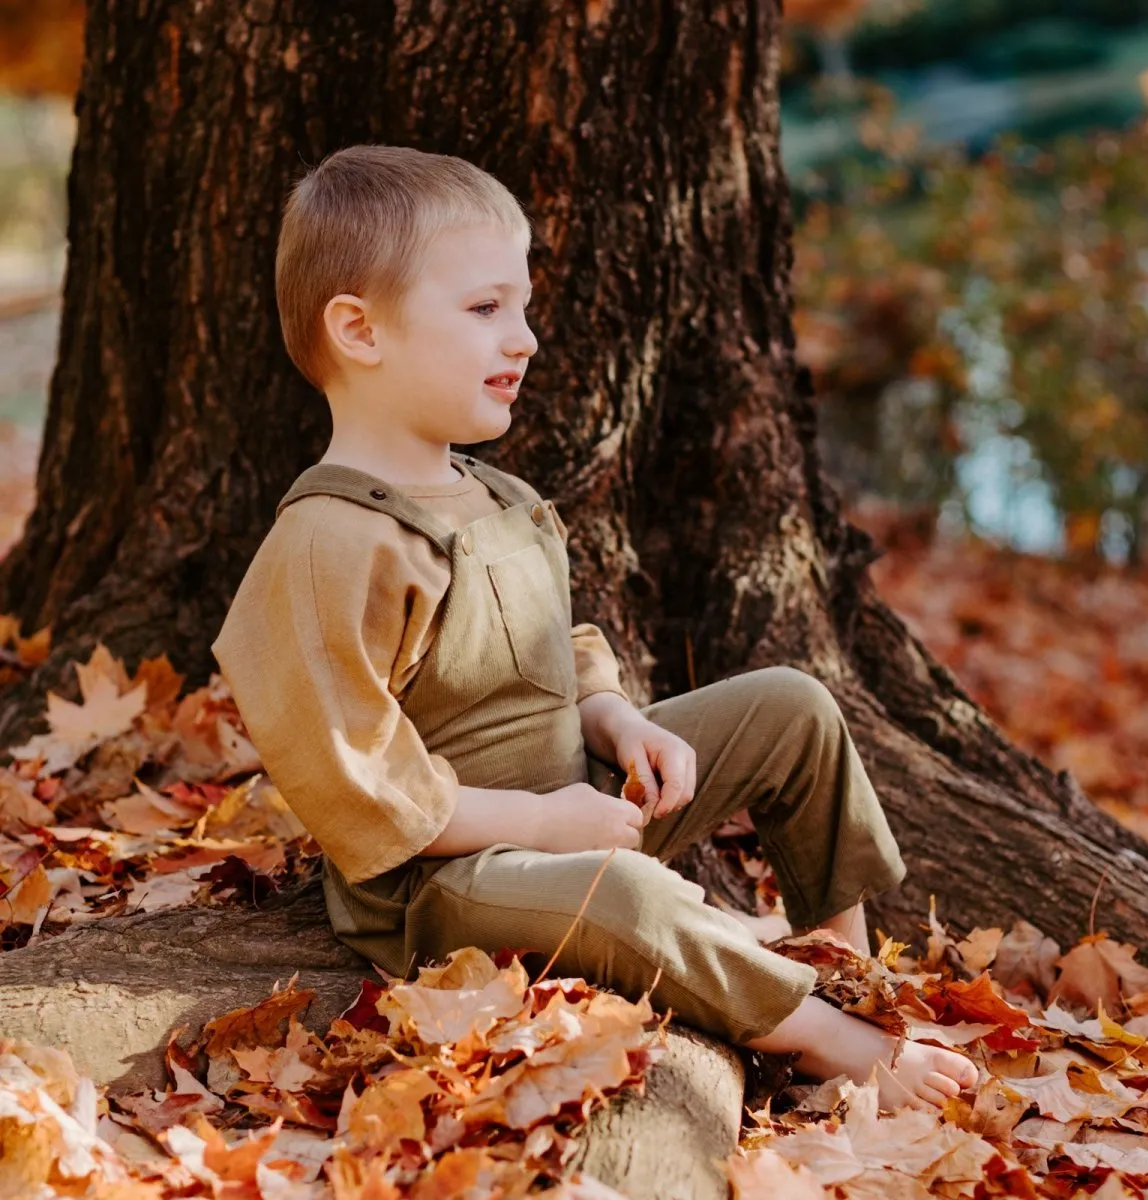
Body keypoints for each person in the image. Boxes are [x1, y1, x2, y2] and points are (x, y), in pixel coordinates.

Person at [212, 144, 978, 1112]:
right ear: (360, 331)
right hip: (447, 884)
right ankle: (829, 1041)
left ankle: (845, 966)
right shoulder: (330, 541)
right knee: (625, 898)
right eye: (486, 310)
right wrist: (544, 825)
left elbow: (558, 646)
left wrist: (620, 722)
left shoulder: (502, 495)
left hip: (578, 809)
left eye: (523, 308)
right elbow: (357, 782)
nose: (526, 339)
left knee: (793, 706)